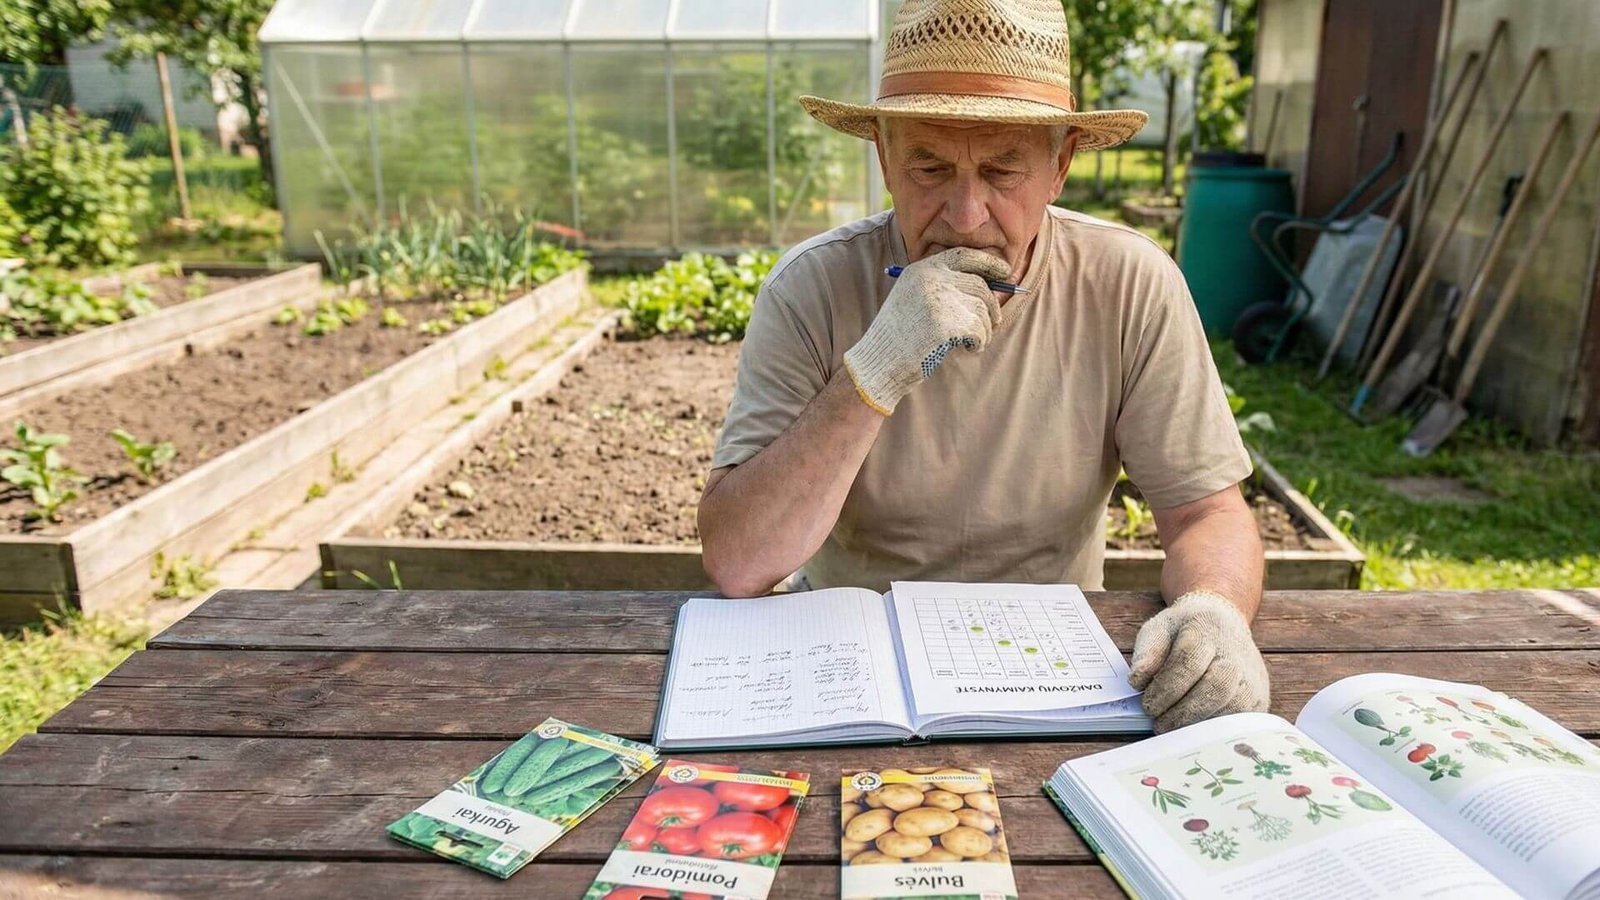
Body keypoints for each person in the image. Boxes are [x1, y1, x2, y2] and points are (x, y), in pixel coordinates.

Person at [696, 0, 1268, 734]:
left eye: (1003, 170)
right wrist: (874, 369)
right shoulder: (812, 286)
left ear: (1060, 166)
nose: (966, 214)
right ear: (883, 158)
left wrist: (1215, 611)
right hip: (846, 659)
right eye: (929, 167)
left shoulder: (1129, 282)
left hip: (1055, 667)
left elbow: (1205, 512)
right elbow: (741, 563)